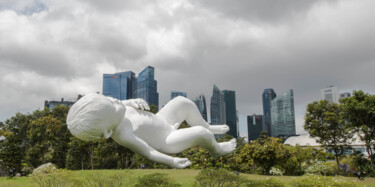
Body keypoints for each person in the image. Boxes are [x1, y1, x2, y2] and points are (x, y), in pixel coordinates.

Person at [67, 93, 236, 169]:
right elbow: (148, 152)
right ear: (108, 133)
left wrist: (133, 101)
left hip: (161, 119)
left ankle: (209, 127)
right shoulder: (123, 134)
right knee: (200, 133)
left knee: (182, 102)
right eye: (113, 105)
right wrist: (171, 161)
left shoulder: (116, 108)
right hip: (167, 139)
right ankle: (216, 149)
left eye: (110, 100)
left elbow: (121, 103)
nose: (117, 101)